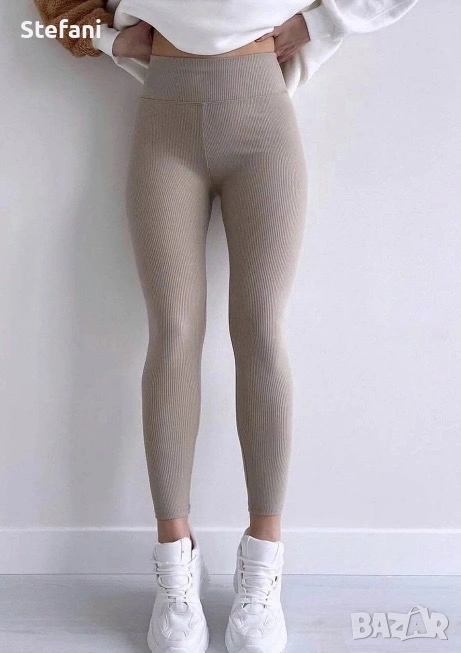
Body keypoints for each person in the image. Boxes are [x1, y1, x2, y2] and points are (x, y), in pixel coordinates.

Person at [32, 2, 420, 651]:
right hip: (165, 114)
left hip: (260, 113)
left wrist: (319, 22)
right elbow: (37, 15)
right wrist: (103, 38)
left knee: (261, 328)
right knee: (172, 331)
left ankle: (262, 558)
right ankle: (174, 560)